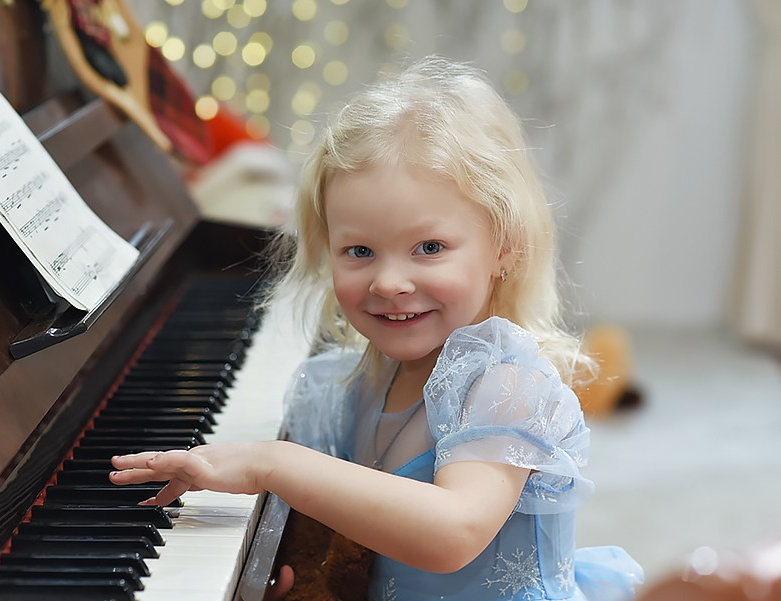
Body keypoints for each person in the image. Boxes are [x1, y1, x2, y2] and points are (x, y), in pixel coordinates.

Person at [110, 56, 645, 600]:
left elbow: (452, 532)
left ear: (504, 246)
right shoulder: (349, 386)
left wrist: (273, 461)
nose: (389, 282)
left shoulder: (506, 385)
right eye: (359, 251)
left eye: (429, 248)